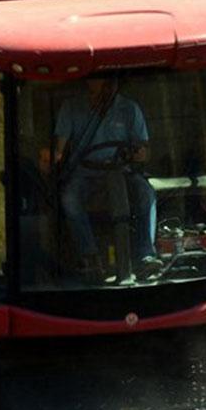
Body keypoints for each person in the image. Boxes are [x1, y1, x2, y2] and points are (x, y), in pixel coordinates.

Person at [37, 76, 161, 281]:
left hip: (122, 171)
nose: (102, 87)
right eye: (96, 82)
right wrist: (48, 159)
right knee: (69, 198)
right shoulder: (71, 108)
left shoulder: (129, 109)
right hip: (84, 173)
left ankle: (145, 255)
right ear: (87, 81)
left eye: (106, 83)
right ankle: (90, 256)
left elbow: (144, 151)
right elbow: (59, 150)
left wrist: (138, 153)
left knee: (146, 193)